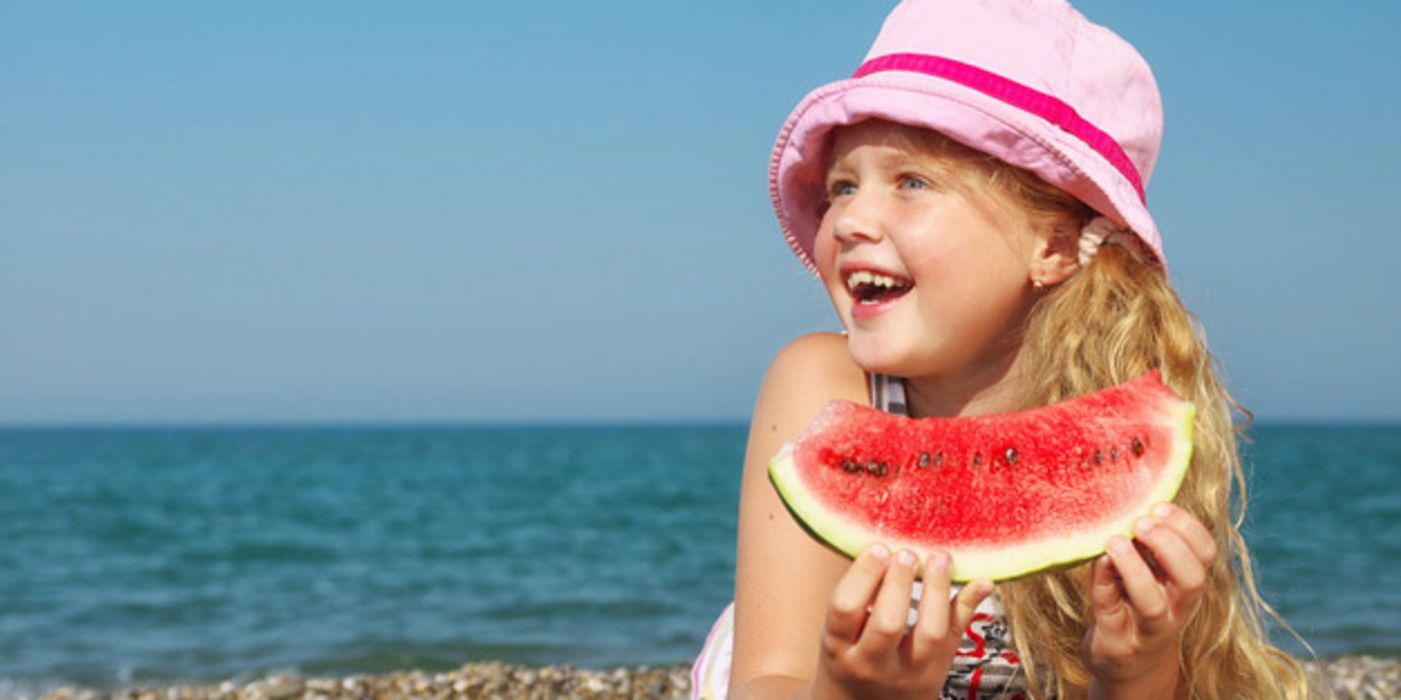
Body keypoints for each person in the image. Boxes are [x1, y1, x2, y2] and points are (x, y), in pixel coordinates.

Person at [690, 1, 1315, 698]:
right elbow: (766, 676)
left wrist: (1136, 667)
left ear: (1049, 244)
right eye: (842, 186)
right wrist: (849, 690)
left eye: (911, 182)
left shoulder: (1122, 426)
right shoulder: (821, 384)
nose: (849, 220)